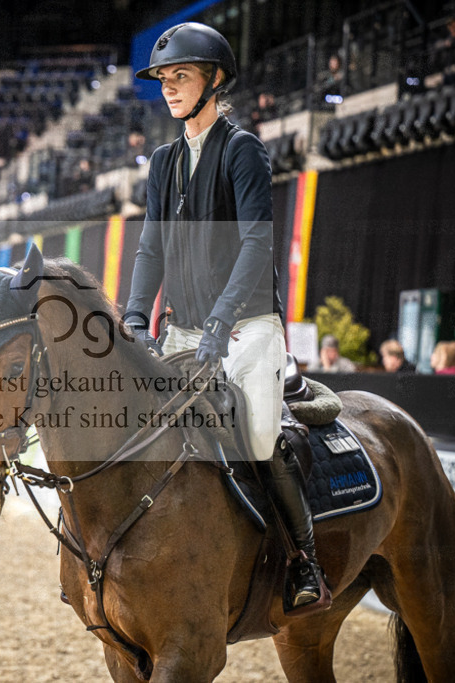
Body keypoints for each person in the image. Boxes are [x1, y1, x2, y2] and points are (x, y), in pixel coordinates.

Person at [123, 22, 329, 615]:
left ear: (215, 80)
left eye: (181, 75)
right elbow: (150, 248)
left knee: (259, 434)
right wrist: (137, 317)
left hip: (246, 327)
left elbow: (256, 247)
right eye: (163, 78)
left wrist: (219, 323)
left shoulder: (243, 150)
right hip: (182, 328)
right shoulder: (163, 161)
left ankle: (303, 558)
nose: (169, 87)